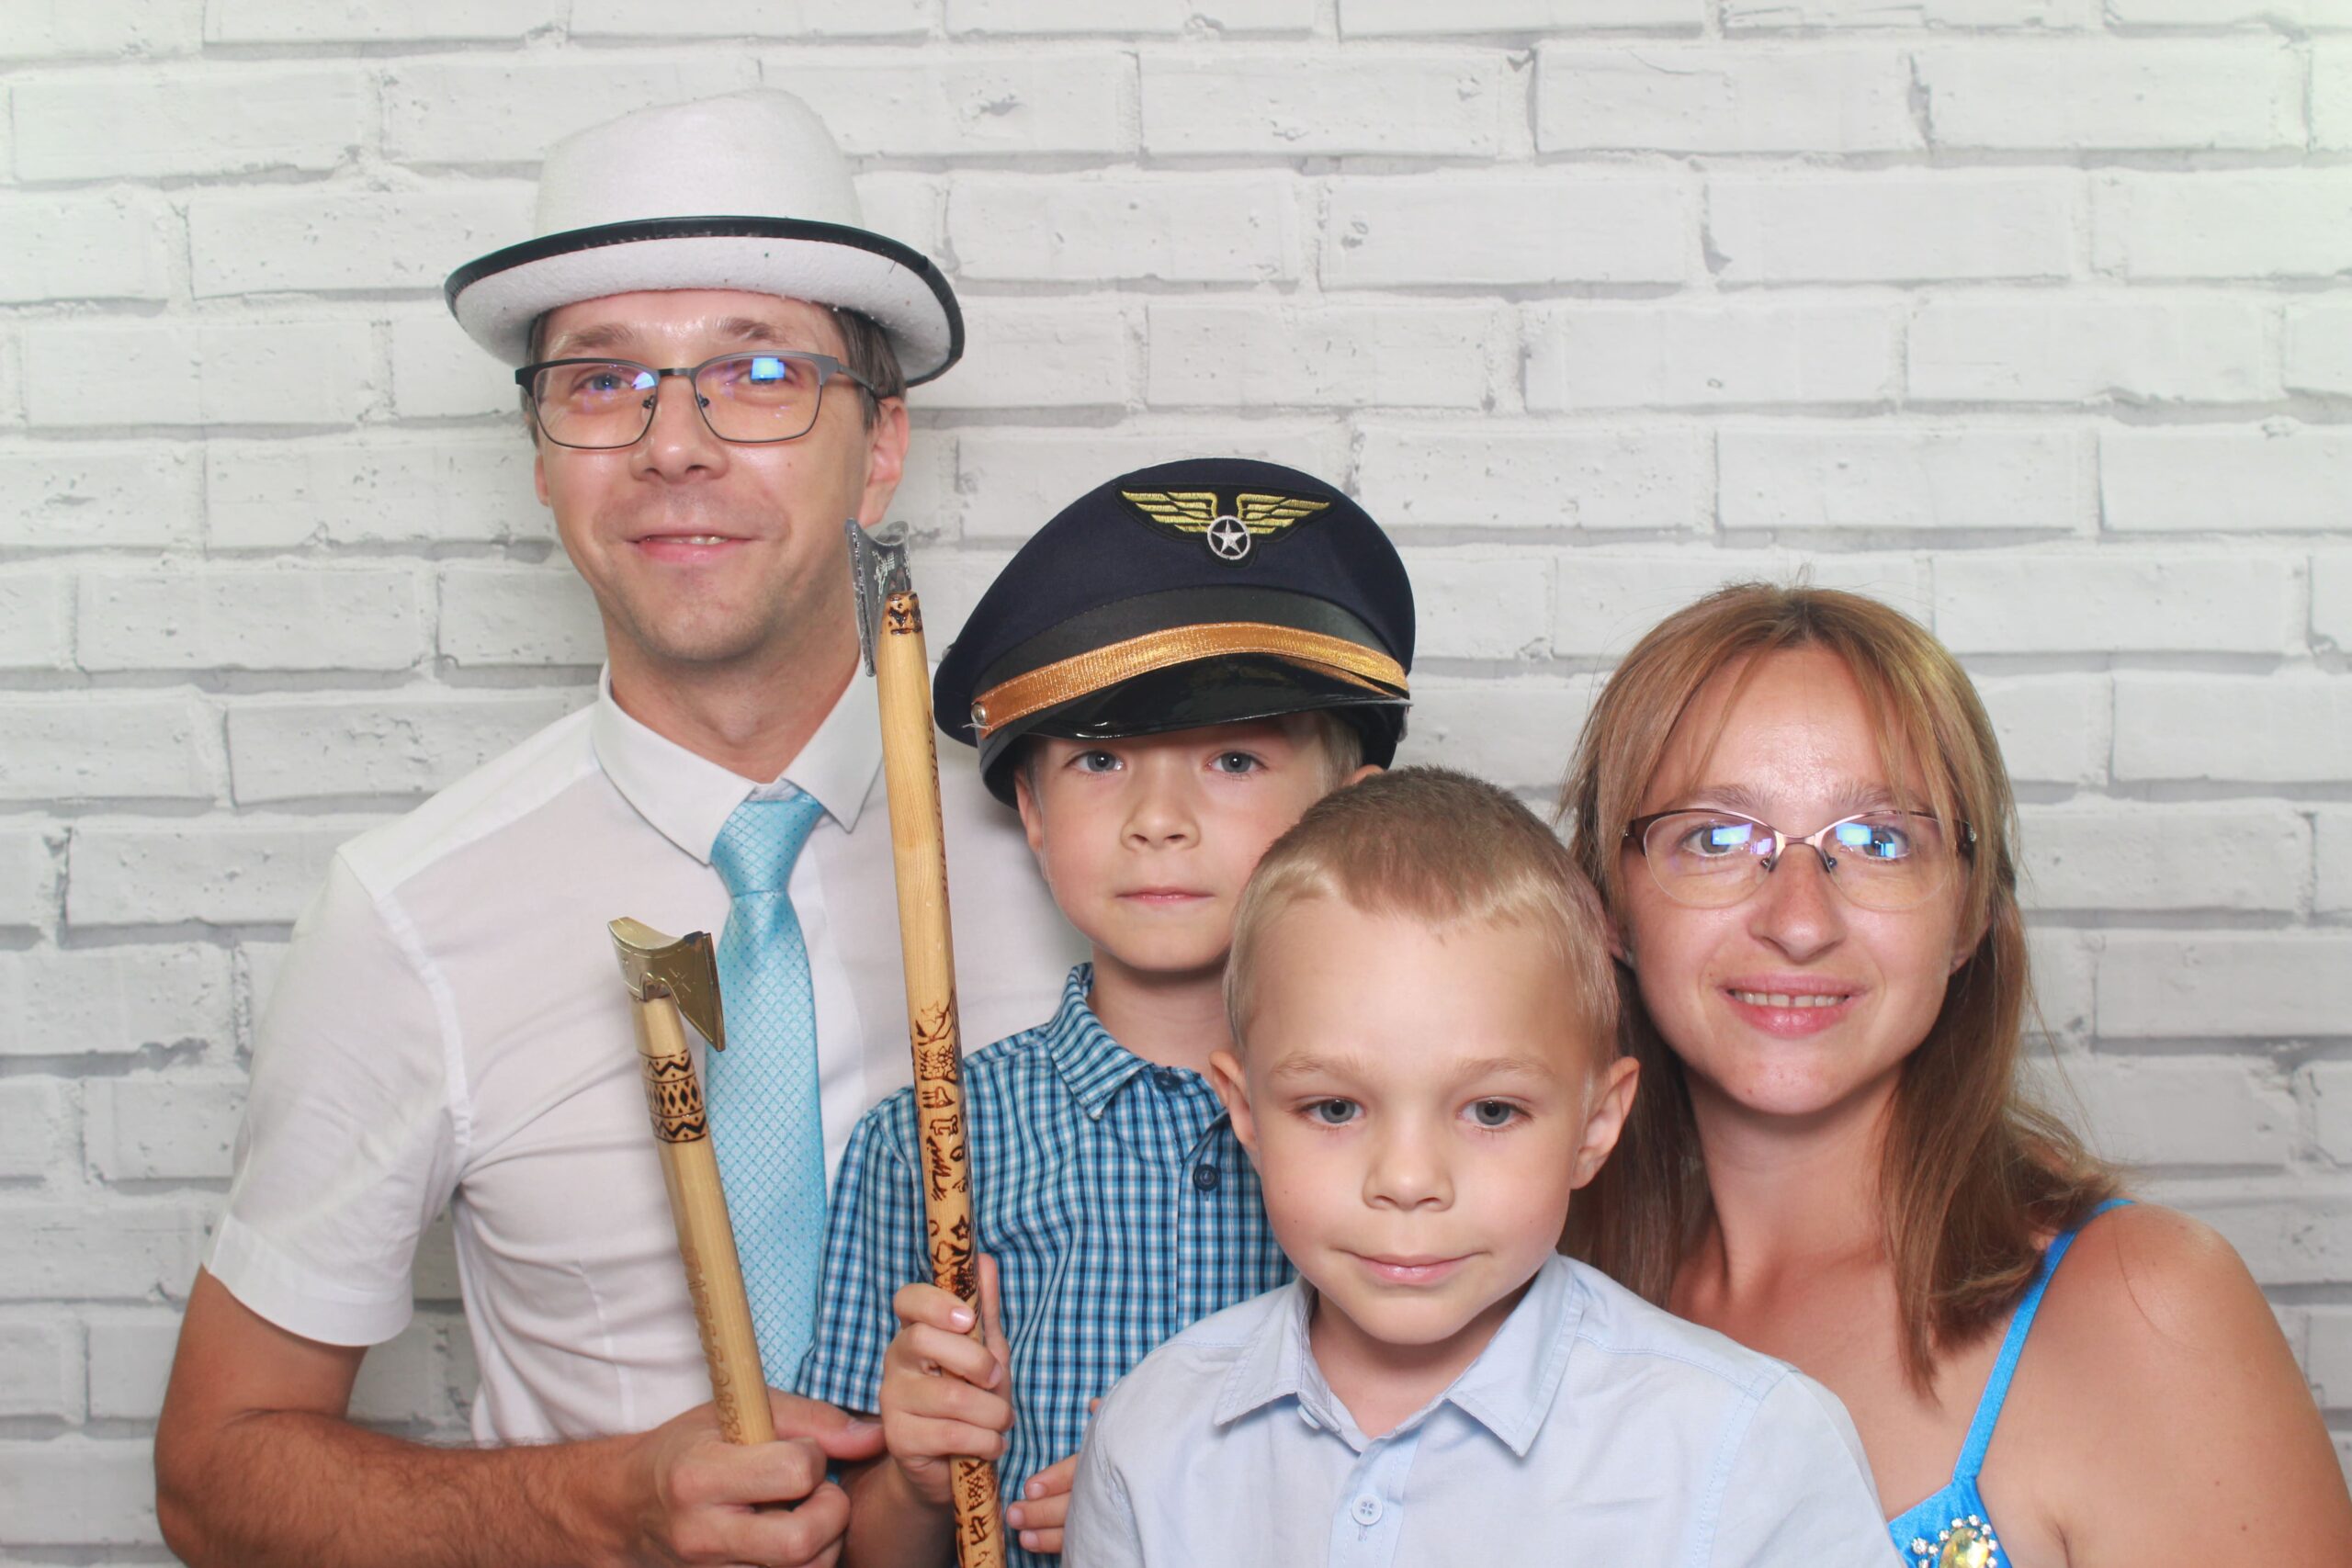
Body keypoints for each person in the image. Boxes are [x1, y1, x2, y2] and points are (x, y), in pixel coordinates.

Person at [152, 90, 1080, 1568]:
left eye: (761, 372)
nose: (674, 445)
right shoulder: (405, 915)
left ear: (881, 443)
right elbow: (214, 1475)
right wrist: (602, 1504)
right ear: (541, 454)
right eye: (602, 383)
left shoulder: (1081, 851)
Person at [1556, 583, 2352, 1566]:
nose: (1798, 922)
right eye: (1715, 838)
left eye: (1880, 841)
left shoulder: (2142, 1308)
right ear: (1609, 906)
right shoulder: (1541, 1304)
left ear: (1971, 913)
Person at [793, 458, 1416, 1565]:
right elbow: (854, 1545)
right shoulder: (928, 1141)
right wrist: (924, 1480)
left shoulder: (1423, 1134)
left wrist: (1194, 1497)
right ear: (1030, 813)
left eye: (1234, 758)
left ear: (1345, 815)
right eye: (1099, 759)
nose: (1157, 819)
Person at [1064, 767, 1899, 1565]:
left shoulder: (1750, 1451)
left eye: (1492, 1111)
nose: (1407, 1180)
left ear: (1596, 1124)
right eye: (1335, 1108)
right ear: (1245, 1113)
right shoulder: (1148, 1439)